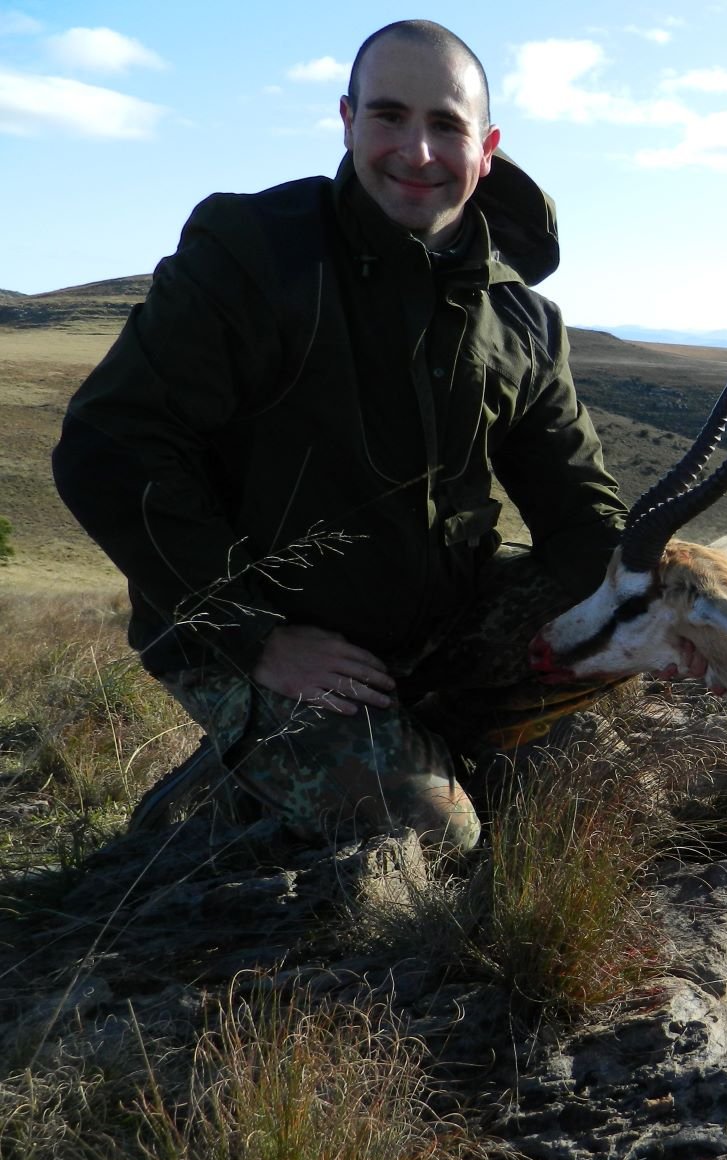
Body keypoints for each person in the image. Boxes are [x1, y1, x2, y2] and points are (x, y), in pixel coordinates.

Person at [54, 19, 662, 853]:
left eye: (446, 125)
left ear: (485, 146)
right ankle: (234, 784)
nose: (417, 151)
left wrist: (657, 603)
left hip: (436, 632)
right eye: (389, 117)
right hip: (254, 637)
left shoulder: (523, 318)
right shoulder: (252, 254)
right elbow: (108, 448)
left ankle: (416, 734)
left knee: (649, 609)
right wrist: (255, 635)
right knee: (436, 836)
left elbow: (581, 516)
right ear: (347, 121)